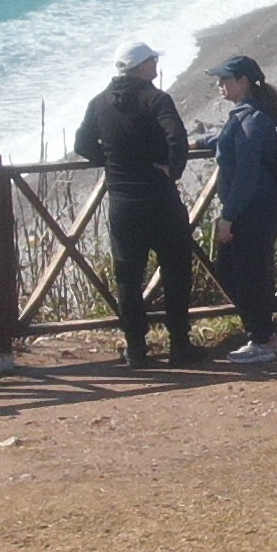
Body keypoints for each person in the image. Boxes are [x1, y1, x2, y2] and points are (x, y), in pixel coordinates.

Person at [73, 41, 196, 365]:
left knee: (128, 276)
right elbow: (176, 136)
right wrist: (173, 169)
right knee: (176, 271)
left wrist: (113, 162)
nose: (156, 64)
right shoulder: (156, 99)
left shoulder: (99, 103)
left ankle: (136, 348)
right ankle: (180, 345)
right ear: (142, 67)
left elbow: (82, 142)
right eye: (153, 60)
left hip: (123, 200)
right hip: (159, 197)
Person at [204, 54, 277, 367]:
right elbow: (229, 141)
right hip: (263, 207)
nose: (219, 84)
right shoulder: (252, 114)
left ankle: (263, 339)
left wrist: (229, 216)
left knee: (248, 274)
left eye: (225, 79)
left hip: (255, 209)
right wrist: (195, 140)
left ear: (243, 82)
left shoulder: (253, 118)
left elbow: (247, 172)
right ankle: (265, 335)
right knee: (240, 271)